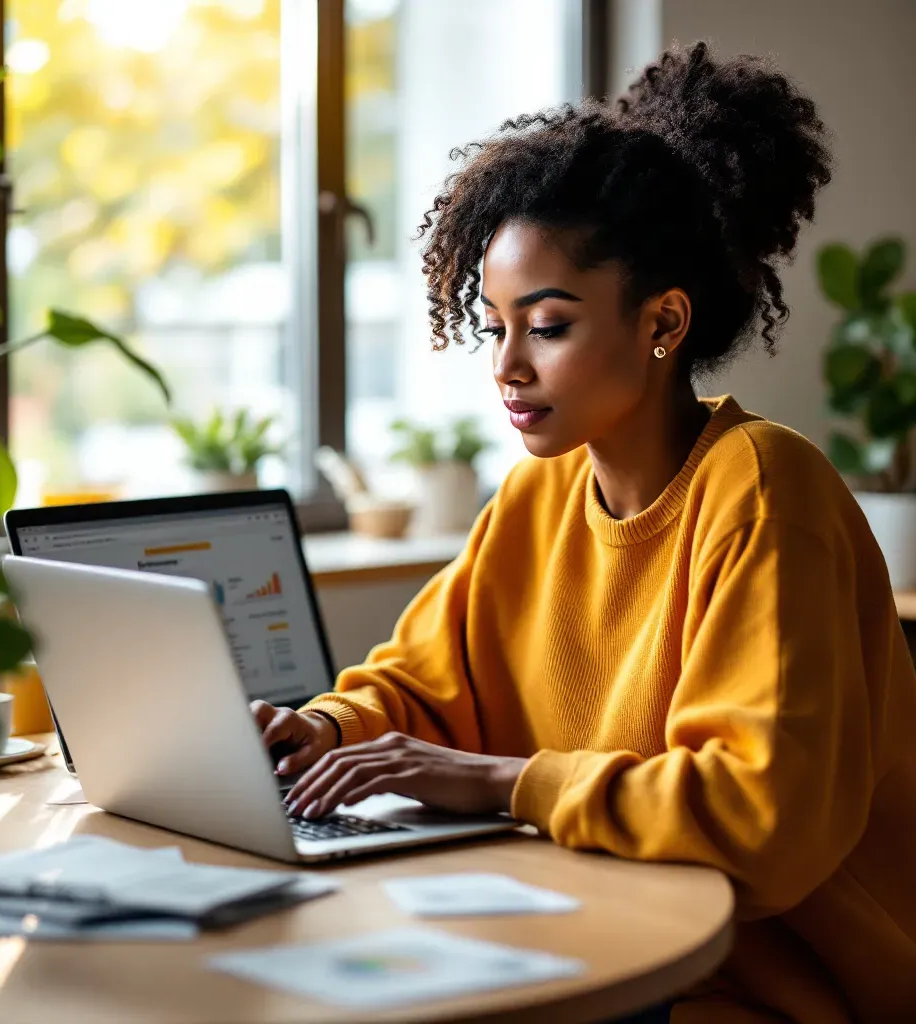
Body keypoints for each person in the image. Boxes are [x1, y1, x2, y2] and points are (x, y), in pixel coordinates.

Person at [252, 42, 916, 1023]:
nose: (507, 367)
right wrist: (322, 731)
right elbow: (431, 686)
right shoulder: (536, 499)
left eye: (548, 326)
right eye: (495, 327)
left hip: (767, 983)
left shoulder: (764, 492)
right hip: (584, 933)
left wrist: (503, 783)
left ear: (662, 322)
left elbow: (757, 818)